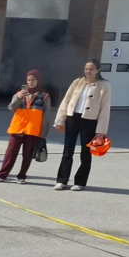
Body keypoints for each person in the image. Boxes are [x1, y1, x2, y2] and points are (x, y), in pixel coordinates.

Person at [53, 59, 111, 191]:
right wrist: (59, 120)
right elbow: (66, 101)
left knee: (86, 152)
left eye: (91, 69)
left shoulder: (104, 85)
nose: (88, 72)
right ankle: (61, 180)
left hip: (89, 121)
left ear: (97, 70)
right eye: (86, 69)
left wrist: (100, 132)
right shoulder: (77, 82)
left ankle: (80, 182)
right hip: (73, 118)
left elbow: (105, 109)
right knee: (68, 150)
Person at [0, 69, 52, 184]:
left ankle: (22, 176)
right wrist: (18, 98)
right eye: (28, 80)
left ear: (38, 80)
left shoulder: (44, 96)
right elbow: (11, 108)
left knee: (27, 154)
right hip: (18, 127)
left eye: (33, 80)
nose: (30, 82)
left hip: (32, 129)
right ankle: (2, 175)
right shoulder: (20, 93)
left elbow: (47, 116)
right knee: (11, 152)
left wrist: (43, 133)